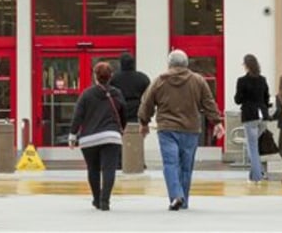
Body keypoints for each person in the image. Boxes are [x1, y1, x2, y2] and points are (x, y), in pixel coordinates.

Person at [138, 49, 224, 211]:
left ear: (169, 64)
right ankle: (183, 199)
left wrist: (144, 122)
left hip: (167, 129)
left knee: (170, 163)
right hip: (190, 129)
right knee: (186, 165)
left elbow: (147, 103)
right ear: (186, 64)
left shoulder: (159, 81)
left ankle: (176, 195)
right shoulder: (198, 81)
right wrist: (217, 122)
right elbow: (208, 102)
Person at [69, 62, 127, 211]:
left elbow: (78, 116)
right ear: (111, 76)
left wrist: (72, 135)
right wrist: (122, 129)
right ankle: (105, 201)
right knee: (109, 169)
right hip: (111, 136)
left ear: (95, 76)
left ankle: (96, 198)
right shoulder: (117, 93)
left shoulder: (86, 94)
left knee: (93, 169)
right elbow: (123, 114)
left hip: (89, 138)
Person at [233, 53, 271, 183]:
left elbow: (238, 100)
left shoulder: (242, 81)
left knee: (252, 146)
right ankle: (254, 173)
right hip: (263, 116)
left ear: (247, 66)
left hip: (250, 116)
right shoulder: (263, 80)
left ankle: (258, 175)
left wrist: (244, 97)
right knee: (253, 146)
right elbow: (267, 97)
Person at [110, 53, 150, 123]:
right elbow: (149, 97)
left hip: (120, 111)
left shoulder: (114, 79)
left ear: (121, 64)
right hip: (137, 111)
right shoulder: (143, 78)